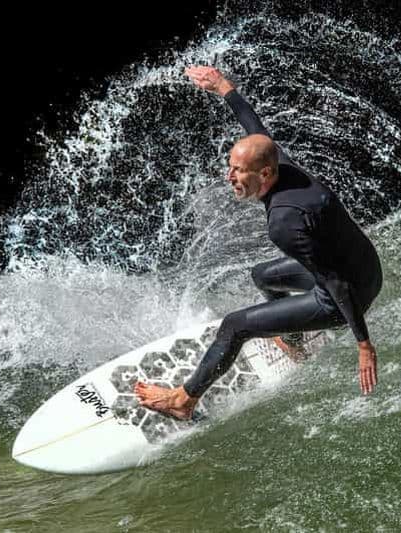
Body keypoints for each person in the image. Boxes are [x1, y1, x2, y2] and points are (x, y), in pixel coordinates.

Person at [135, 66, 382, 420]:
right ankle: (295, 339)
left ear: (264, 174)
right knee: (263, 275)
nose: (229, 177)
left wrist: (363, 344)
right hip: (367, 267)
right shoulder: (281, 164)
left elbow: (334, 282)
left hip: (348, 293)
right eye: (230, 167)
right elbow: (256, 129)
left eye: (238, 172)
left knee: (235, 326)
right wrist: (223, 86)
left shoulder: (284, 223)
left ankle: (183, 401)